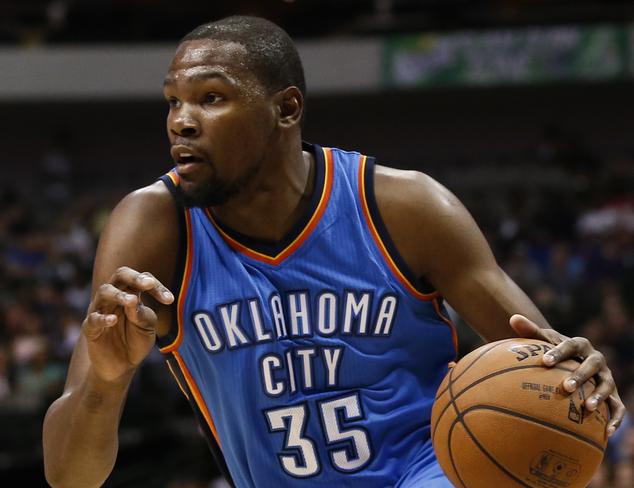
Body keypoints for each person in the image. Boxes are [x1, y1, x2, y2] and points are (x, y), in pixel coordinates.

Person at [42, 15, 625, 488]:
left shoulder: (404, 206)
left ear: (286, 109)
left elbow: (552, 374)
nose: (181, 123)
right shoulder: (153, 224)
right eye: (172, 102)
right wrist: (106, 382)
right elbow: (69, 478)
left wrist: (578, 377)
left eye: (211, 98)